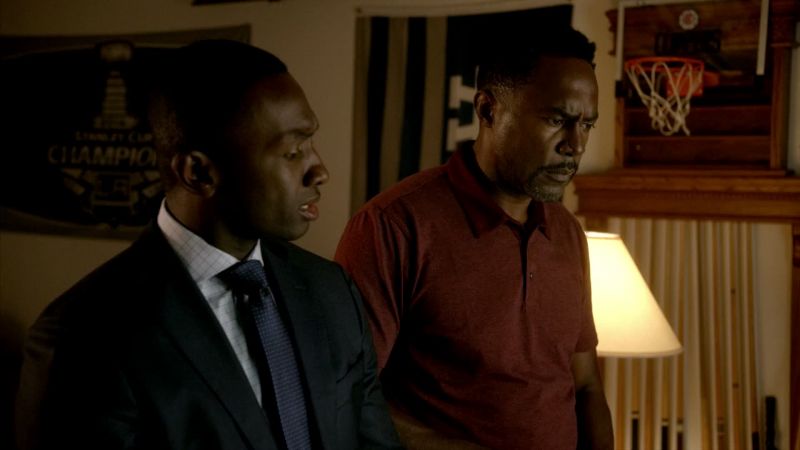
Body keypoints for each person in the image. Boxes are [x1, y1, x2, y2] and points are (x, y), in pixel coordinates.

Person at [14, 39, 402, 450]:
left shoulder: (332, 290)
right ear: (198, 172)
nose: (319, 171)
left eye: (310, 144)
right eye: (292, 152)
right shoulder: (82, 337)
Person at [335, 27, 614, 450]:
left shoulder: (567, 233)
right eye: (557, 120)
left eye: (587, 124)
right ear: (487, 110)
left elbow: (586, 385)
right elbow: (349, 395)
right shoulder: (393, 226)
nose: (575, 145)